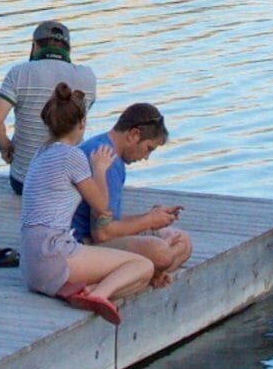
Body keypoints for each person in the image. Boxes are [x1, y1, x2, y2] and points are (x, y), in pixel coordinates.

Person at [16, 84, 156, 323]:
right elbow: (102, 208)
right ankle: (97, 295)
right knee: (142, 267)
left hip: (29, 264)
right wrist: (99, 169)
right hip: (53, 254)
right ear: (82, 123)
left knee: (130, 274)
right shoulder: (73, 156)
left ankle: (84, 290)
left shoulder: (41, 153)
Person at [69, 101, 189, 285]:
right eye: (149, 148)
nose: (146, 157)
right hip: (80, 245)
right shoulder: (107, 160)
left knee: (182, 241)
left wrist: (151, 216)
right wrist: (149, 221)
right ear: (134, 134)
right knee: (161, 253)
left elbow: (108, 219)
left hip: (94, 236)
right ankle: (144, 273)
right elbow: (102, 234)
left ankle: (147, 273)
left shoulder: (102, 146)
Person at [0, 20, 96, 190]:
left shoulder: (19, 73)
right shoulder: (87, 76)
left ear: (34, 46)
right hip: (71, 184)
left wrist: (6, 147)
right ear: (68, 50)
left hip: (24, 182)